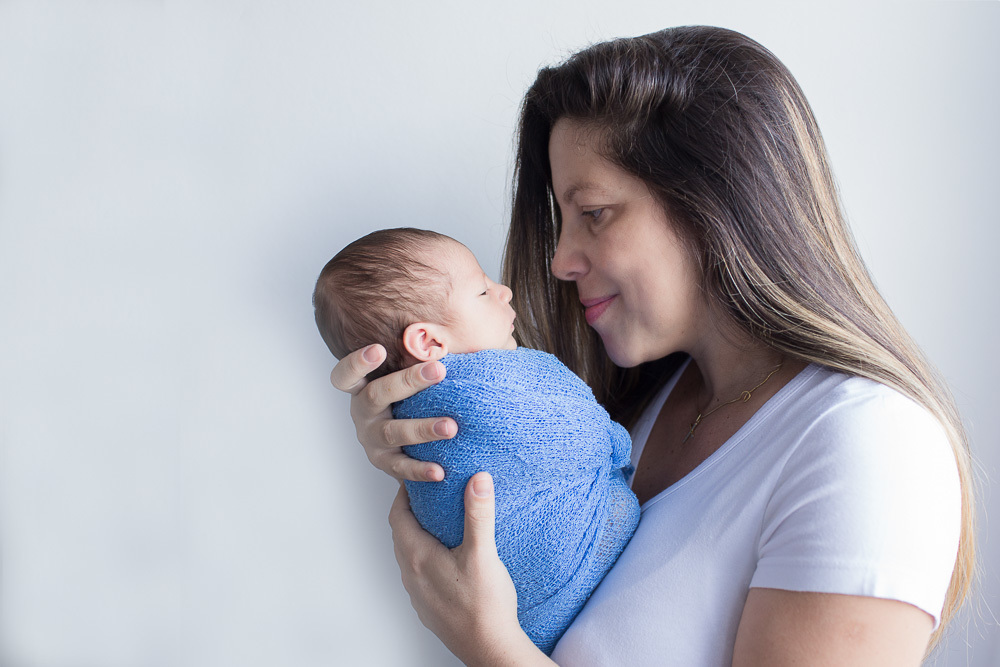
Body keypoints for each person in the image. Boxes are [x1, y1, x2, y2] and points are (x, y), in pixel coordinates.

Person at [329, 26, 974, 665]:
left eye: (595, 213)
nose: (558, 262)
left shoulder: (870, 443)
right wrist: (427, 430)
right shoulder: (635, 405)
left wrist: (490, 648)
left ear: (712, 200)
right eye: (562, 221)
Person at [313, 228, 640, 654]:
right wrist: (615, 443)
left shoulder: (477, 393)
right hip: (555, 582)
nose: (503, 290)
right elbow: (579, 435)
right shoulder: (460, 404)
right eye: (483, 292)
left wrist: (493, 648)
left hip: (532, 625)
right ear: (429, 342)